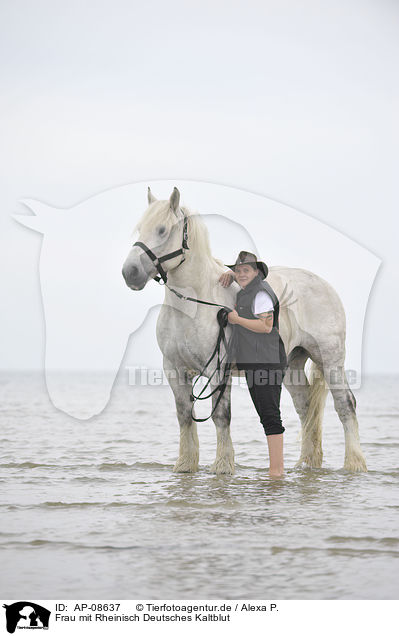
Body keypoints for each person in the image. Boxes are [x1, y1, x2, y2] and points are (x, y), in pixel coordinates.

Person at [219, 251, 288, 477]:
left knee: (270, 415)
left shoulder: (261, 294)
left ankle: (276, 472)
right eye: (238, 270)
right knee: (265, 415)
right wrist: (232, 274)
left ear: (257, 272)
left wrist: (236, 320)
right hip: (253, 361)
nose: (241, 274)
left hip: (267, 362)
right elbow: (240, 276)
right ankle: (275, 470)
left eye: (246, 270)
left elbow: (266, 326)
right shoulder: (248, 289)